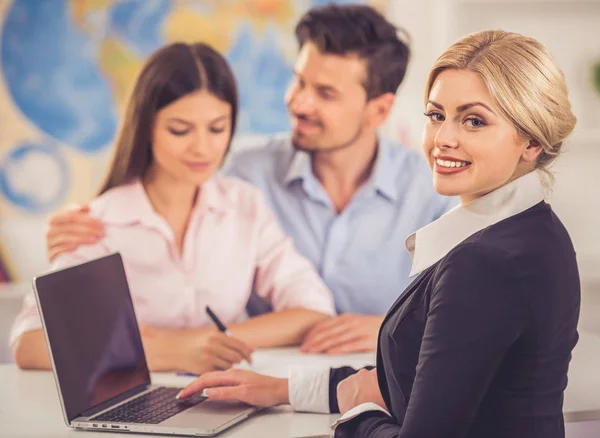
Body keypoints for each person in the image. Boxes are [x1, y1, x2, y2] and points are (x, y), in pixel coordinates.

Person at [176, 30, 581, 438]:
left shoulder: (484, 263)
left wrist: (359, 413)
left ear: (530, 141)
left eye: (473, 121)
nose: (444, 139)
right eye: (436, 115)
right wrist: (285, 389)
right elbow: (428, 382)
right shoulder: (539, 229)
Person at [43, 3, 456, 355]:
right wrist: (79, 221)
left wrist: (390, 326)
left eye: (325, 93)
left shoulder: (433, 190)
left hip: (381, 378)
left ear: (378, 111)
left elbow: (471, 305)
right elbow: (161, 187)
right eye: (299, 81)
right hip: (267, 382)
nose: (299, 102)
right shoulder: (244, 172)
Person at [10, 42, 336, 375]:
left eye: (217, 128)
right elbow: (29, 343)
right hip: (135, 403)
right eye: (180, 130)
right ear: (146, 127)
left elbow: (314, 307)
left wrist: (203, 341)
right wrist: (167, 353)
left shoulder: (243, 204)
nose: (202, 147)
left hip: (221, 393)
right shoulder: (101, 222)